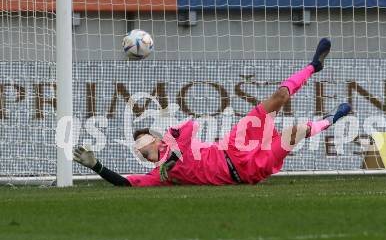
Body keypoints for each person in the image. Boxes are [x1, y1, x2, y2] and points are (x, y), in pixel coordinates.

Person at [73, 38, 351, 186]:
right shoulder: (159, 177)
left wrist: (172, 156)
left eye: (143, 144)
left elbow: (191, 127)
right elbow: (124, 184)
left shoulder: (172, 139)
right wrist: (96, 166)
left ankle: (314, 66)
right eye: (139, 150)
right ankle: (329, 120)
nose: (141, 150)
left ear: (156, 140)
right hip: (245, 172)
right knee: (296, 132)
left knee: (278, 98)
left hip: (234, 145)